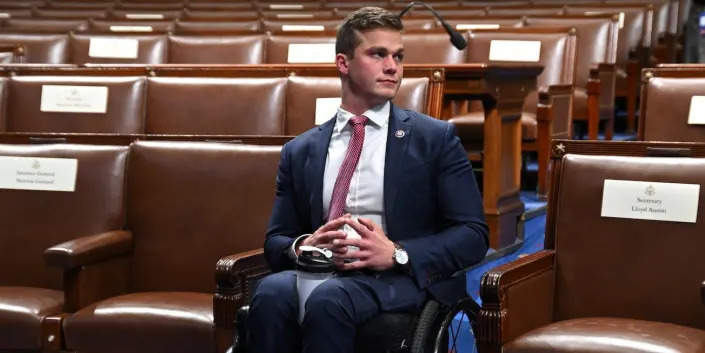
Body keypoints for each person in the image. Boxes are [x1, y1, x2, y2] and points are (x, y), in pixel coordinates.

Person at [246, 6, 489, 353]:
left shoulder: (435, 140)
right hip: (323, 271)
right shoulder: (301, 150)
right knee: (270, 292)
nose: (393, 67)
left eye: (398, 56)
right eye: (378, 54)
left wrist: (398, 253)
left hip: (400, 278)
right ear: (343, 63)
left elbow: (474, 235)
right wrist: (304, 245)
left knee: (330, 298)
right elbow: (276, 240)